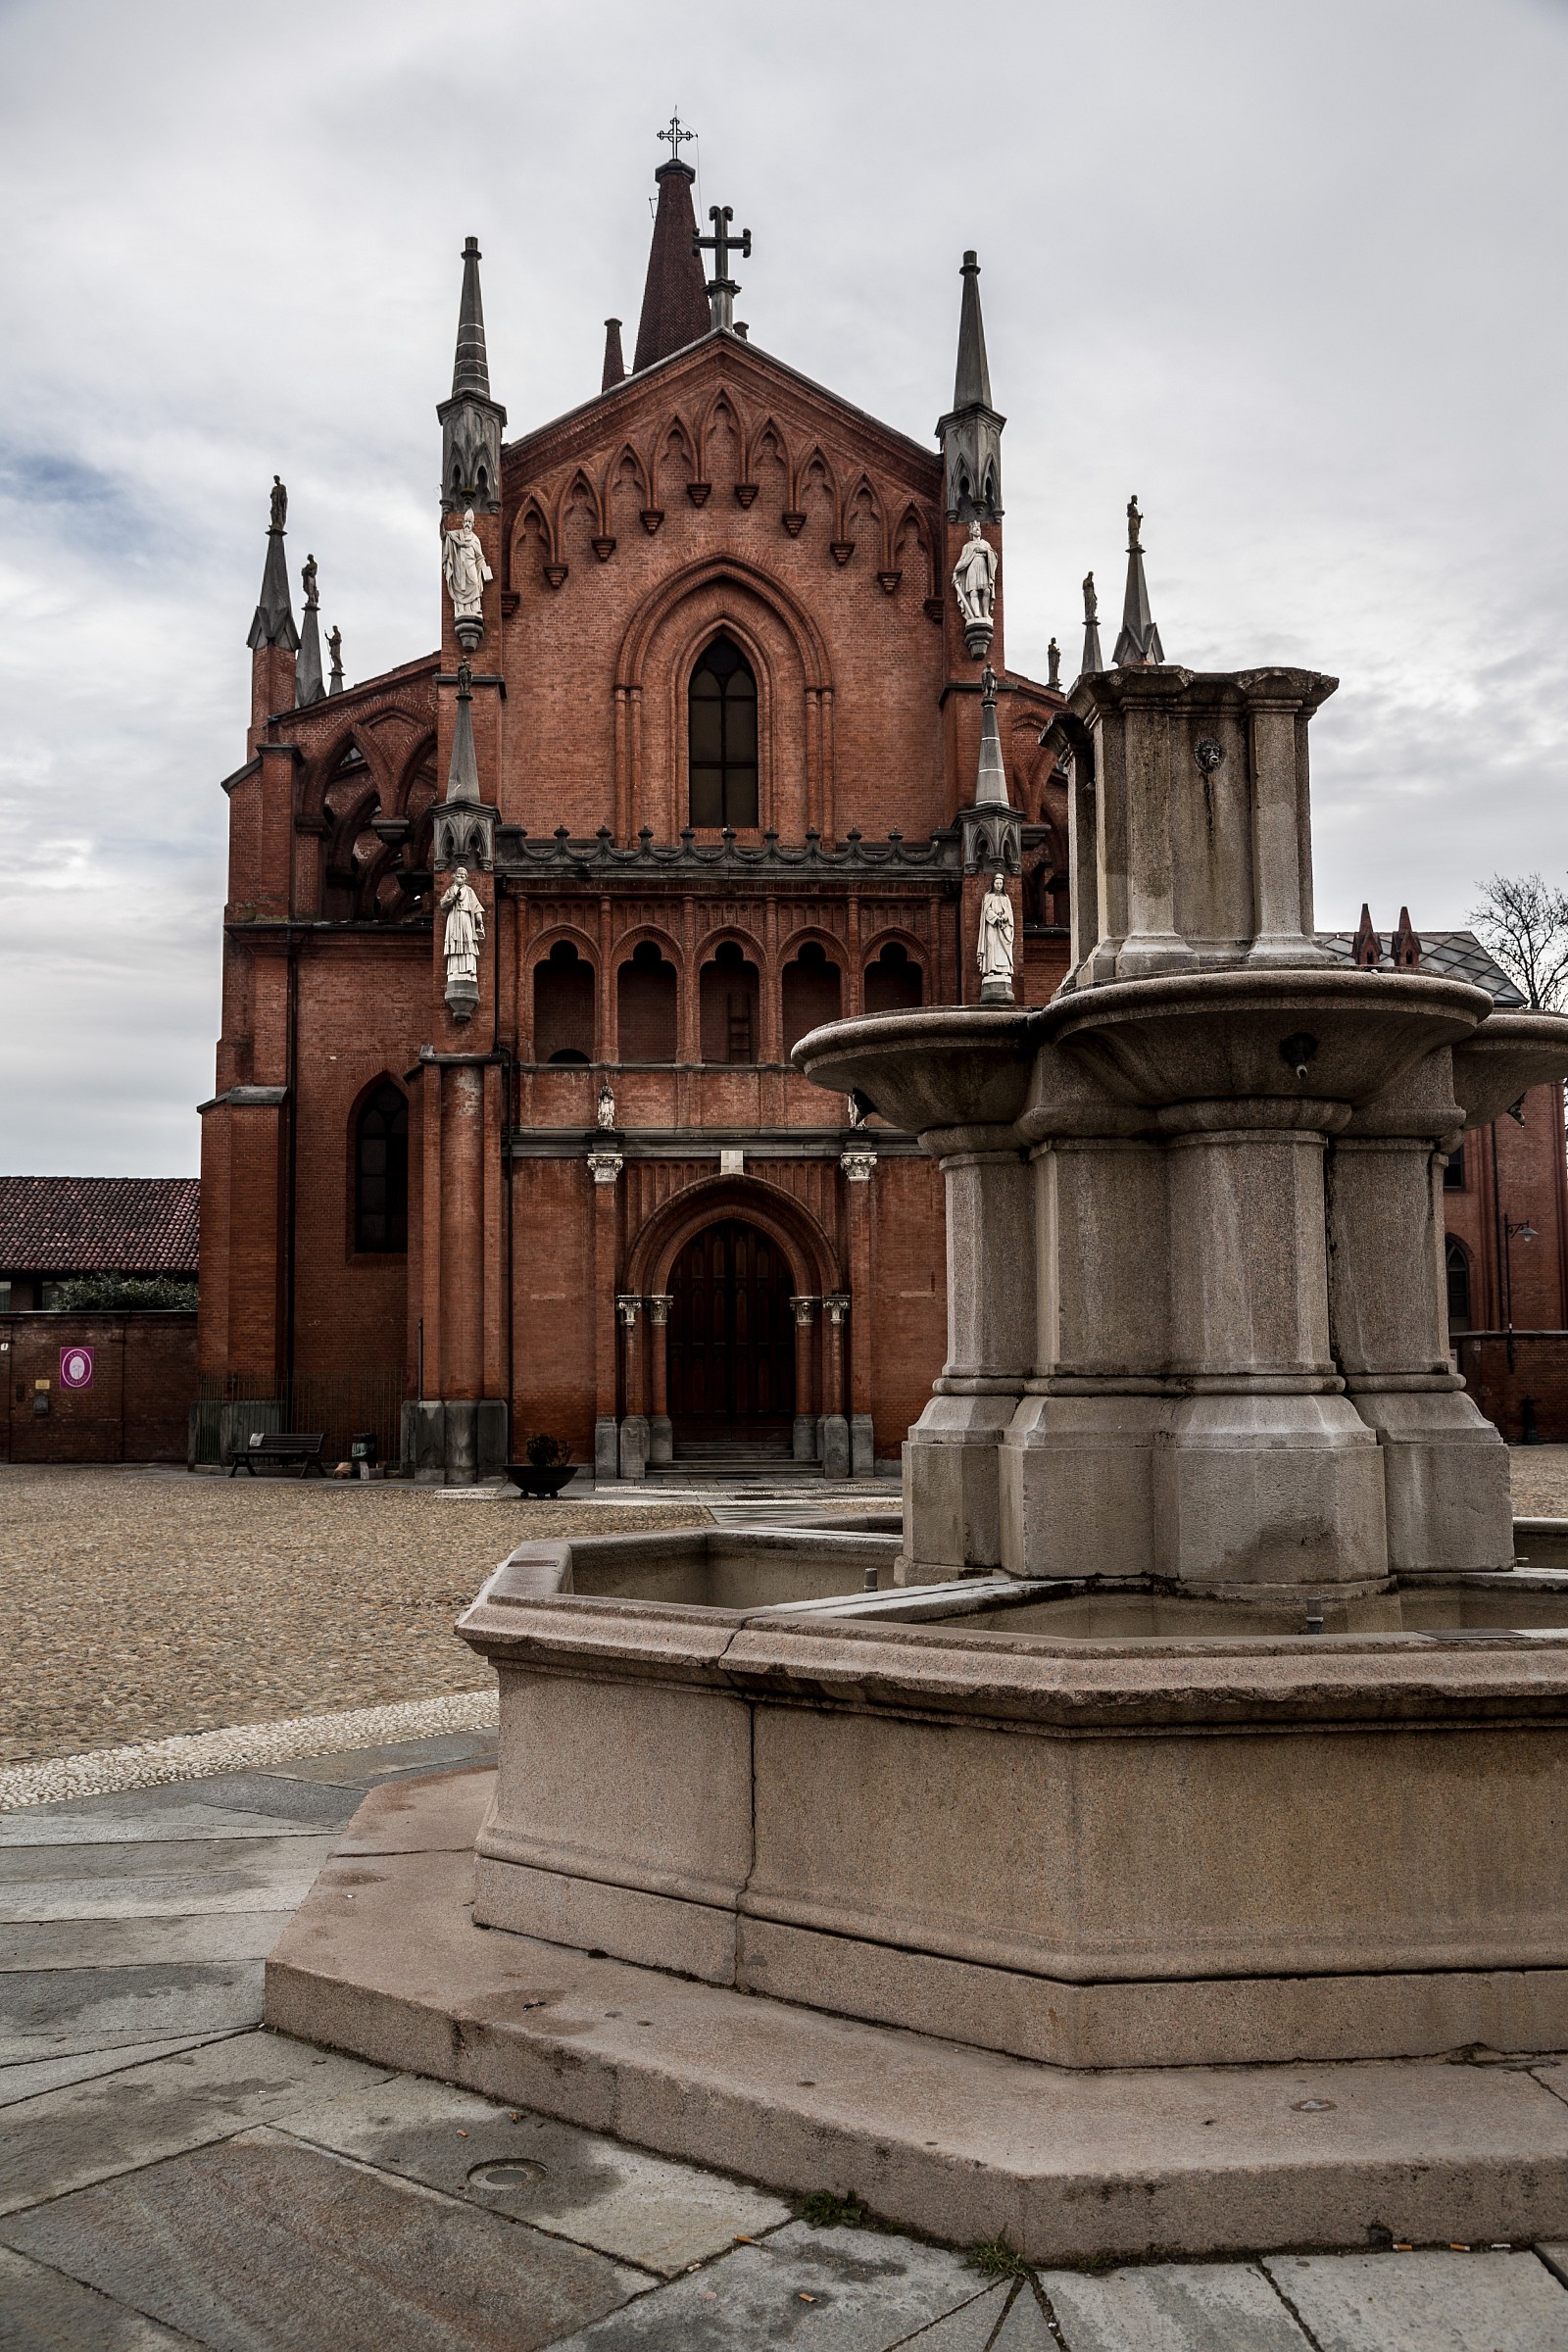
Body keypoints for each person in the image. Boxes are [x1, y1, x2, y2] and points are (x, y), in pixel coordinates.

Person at [442, 509, 492, 618]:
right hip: (459, 568)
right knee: (459, 588)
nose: (467, 524)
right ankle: (460, 610)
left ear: (473, 525)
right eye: (466, 522)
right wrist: (441, 524)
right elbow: (444, 535)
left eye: (470, 522)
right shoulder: (456, 535)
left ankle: (475, 608)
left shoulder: (475, 540)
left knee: (475, 583)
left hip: (471, 566)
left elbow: (479, 557)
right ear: (463, 523)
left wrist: (484, 568)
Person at [441, 867, 485, 986]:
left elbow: (476, 908)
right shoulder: (450, 890)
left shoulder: (470, 891)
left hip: (466, 918)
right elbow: (442, 904)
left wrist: (480, 922)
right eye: (458, 876)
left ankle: (470, 968)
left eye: (462, 877)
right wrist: (453, 898)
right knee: (454, 942)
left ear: (466, 878)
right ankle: (454, 969)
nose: (460, 879)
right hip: (454, 918)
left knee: (468, 940)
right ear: (454, 877)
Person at [952, 520, 998, 627]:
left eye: (978, 528)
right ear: (971, 532)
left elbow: (994, 556)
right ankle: (976, 614)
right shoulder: (967, 546)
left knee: (986, 590)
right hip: (972, 568)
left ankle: (985, 613)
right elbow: (963, 560)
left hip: (983, 566)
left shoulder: (985, 544)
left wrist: (984, 550)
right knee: (973, 592)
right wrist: (955, 571)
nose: (977, 529)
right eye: (975, 528)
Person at [977, 870, 1014, 993]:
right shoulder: (988, 897)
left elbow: (1009, 913)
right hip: (992, 926)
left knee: (1002, 949)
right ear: (993, 884)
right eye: (997, 883)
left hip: (1003, 927)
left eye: (1000, 883)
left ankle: (1004, 970)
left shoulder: (1006, 898)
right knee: (991, 945)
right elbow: (987, 911)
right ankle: (991, 969)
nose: (998, 885)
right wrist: (995, 917)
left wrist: (1004, 917)